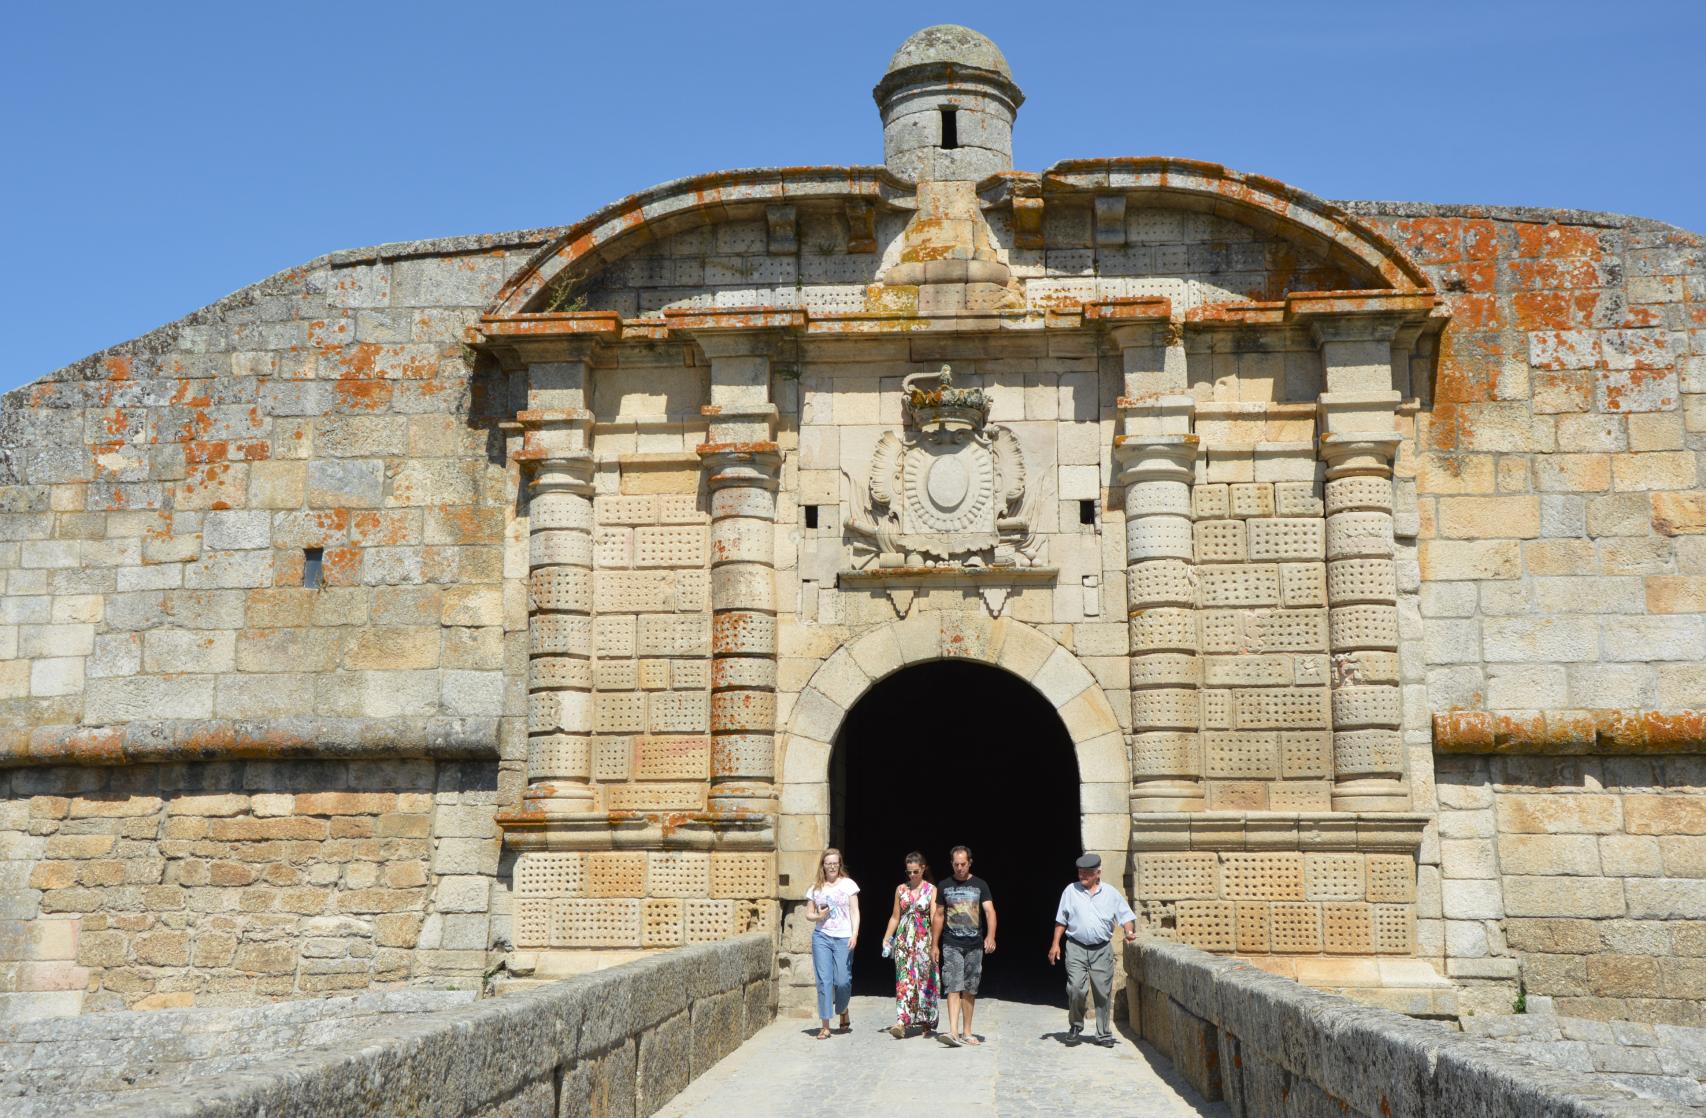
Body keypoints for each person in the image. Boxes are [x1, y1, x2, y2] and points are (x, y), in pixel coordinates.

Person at [1047, 853, 1138, 1047]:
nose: (1082, 876)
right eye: (1080, 872)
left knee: (1102, 992)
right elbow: (1061, 920)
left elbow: (1125, 916)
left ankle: (1103, 1033)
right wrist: (1055, 944)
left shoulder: (1111, 893)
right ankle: (1075, 1025)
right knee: (1076, 989)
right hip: (1076, 947)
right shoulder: (1070, 891)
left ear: (1098, 873)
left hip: (1101, 949)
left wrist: (1129, 931)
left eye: (1087, 873)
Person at [930, 845, 996, 1047]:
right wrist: (935, 944)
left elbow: (990, 912)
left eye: (963, 864)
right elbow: (939, 915)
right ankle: (953, 1032)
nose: (959, 868)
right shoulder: (944, 885)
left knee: (970, 988)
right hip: (952, 944)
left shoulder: (980, 885)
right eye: (956, 864)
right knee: (953, 985)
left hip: (974, 944)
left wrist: (991, 936)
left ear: (970, 863)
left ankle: (967, 1031)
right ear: (951, 864)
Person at [880, 851, 940, 1039]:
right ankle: (902, 1021)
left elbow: (934, 916)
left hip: (923, 940)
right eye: (909, 872)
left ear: (923, 868)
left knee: (924, 980)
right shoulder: (901, 889)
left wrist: (935, 944)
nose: (912, 875)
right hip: (903, 940)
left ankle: (926, 1020)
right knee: (904, 980)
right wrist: (886, 937)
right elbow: (895, 916)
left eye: (915, 871)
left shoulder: (931, 889)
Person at [806, 847, 859, 1040]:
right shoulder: (815, 888)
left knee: (843, 980)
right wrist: (817, 916)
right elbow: (808, 913)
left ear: (840, 864)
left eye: (835, 863)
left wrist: (855, 934)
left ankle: (843, 1008)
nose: (832, 866)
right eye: (828, 863)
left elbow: (855, 911)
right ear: (823, 865)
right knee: (824, 981)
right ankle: (825, 1025)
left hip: (844, 937)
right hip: (822, 937)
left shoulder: (848, 884)